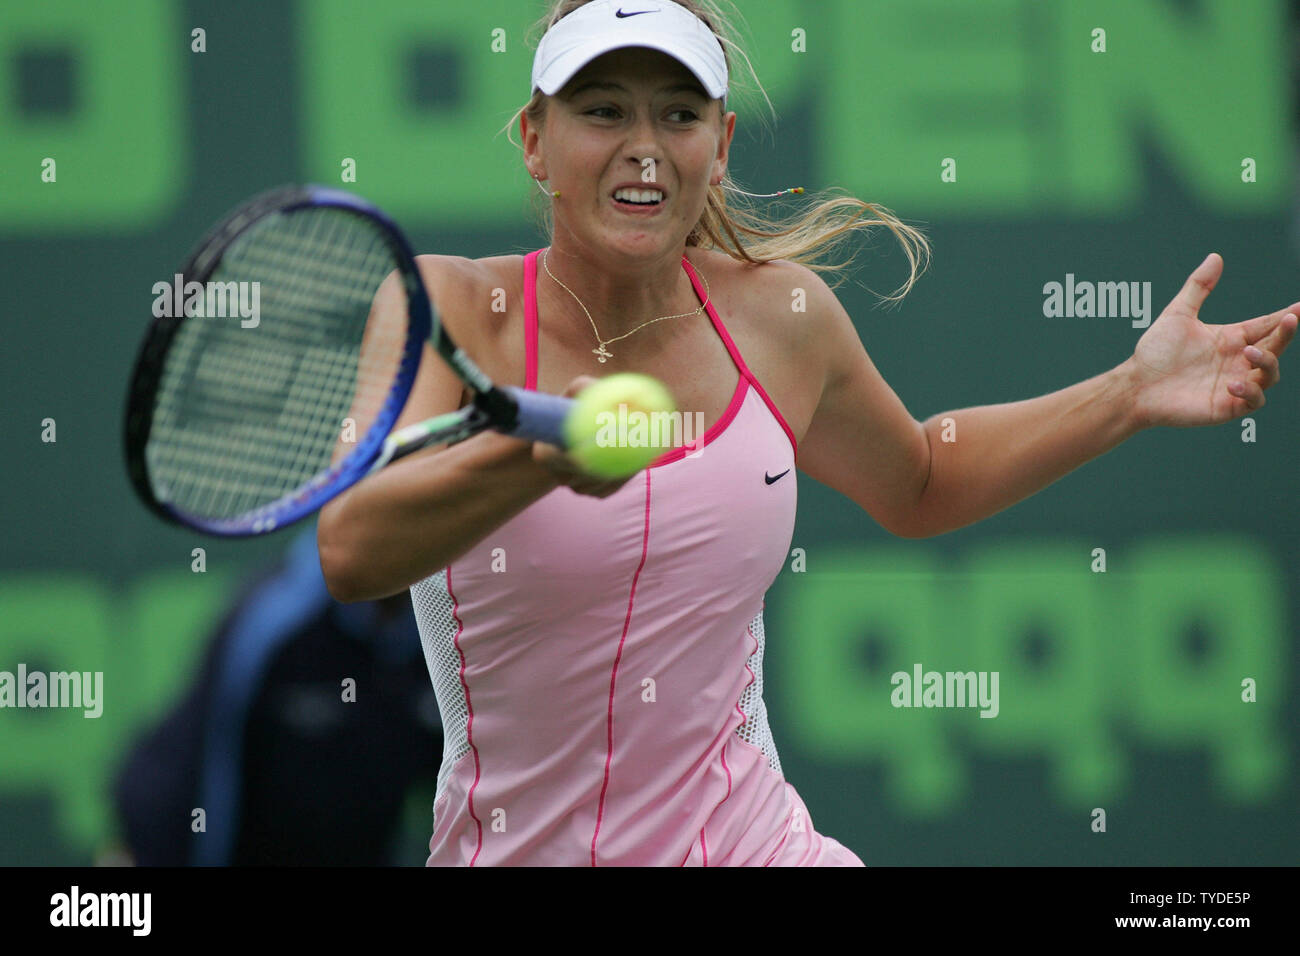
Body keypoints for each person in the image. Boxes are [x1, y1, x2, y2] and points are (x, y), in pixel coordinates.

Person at [316, 0, 1296, 866]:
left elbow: (918, 480)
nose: (645, 144)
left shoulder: (783, 319)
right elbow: (352, 546)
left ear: (722, 141)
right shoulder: (439, 307)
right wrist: (533, 458)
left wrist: (1129, 390)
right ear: (535, 139)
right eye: (603, 109)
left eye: (679, 113)